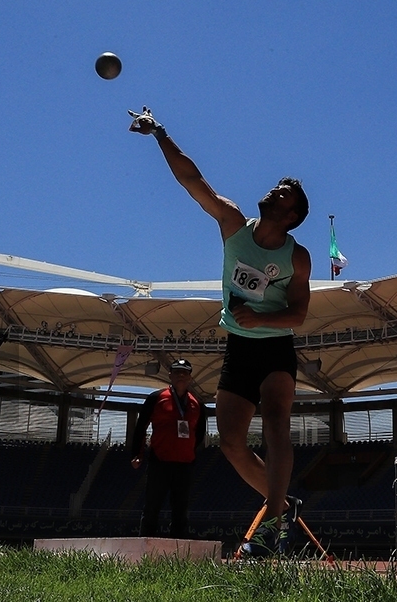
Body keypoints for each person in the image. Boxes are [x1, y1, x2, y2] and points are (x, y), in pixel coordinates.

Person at [130, 107, 312, 557]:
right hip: (238, 349)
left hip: (274, 349)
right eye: (274, 188)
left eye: (281, 195)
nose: (270, 193)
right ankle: (283, 508)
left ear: (291, 216)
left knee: (274, 422)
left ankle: (270, 528)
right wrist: (160, 133)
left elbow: (299, 316)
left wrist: (261, 320)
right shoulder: (233, 224)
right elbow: (193, 182)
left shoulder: (298, 257)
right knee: (230, 442)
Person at [130, 358, 205, 539]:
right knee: (152, 508)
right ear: (170, 375)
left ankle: (178, 551)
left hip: (184, 465)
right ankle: (145, 547)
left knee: (180, 510)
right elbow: (141, 427)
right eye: (177, 372)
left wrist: (190, 452)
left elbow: (200, 433)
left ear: (190, 377)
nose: (181, 375)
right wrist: (136, 454)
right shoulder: (157, 398)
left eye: (185, 372)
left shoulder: (198, 404)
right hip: (160, 462)